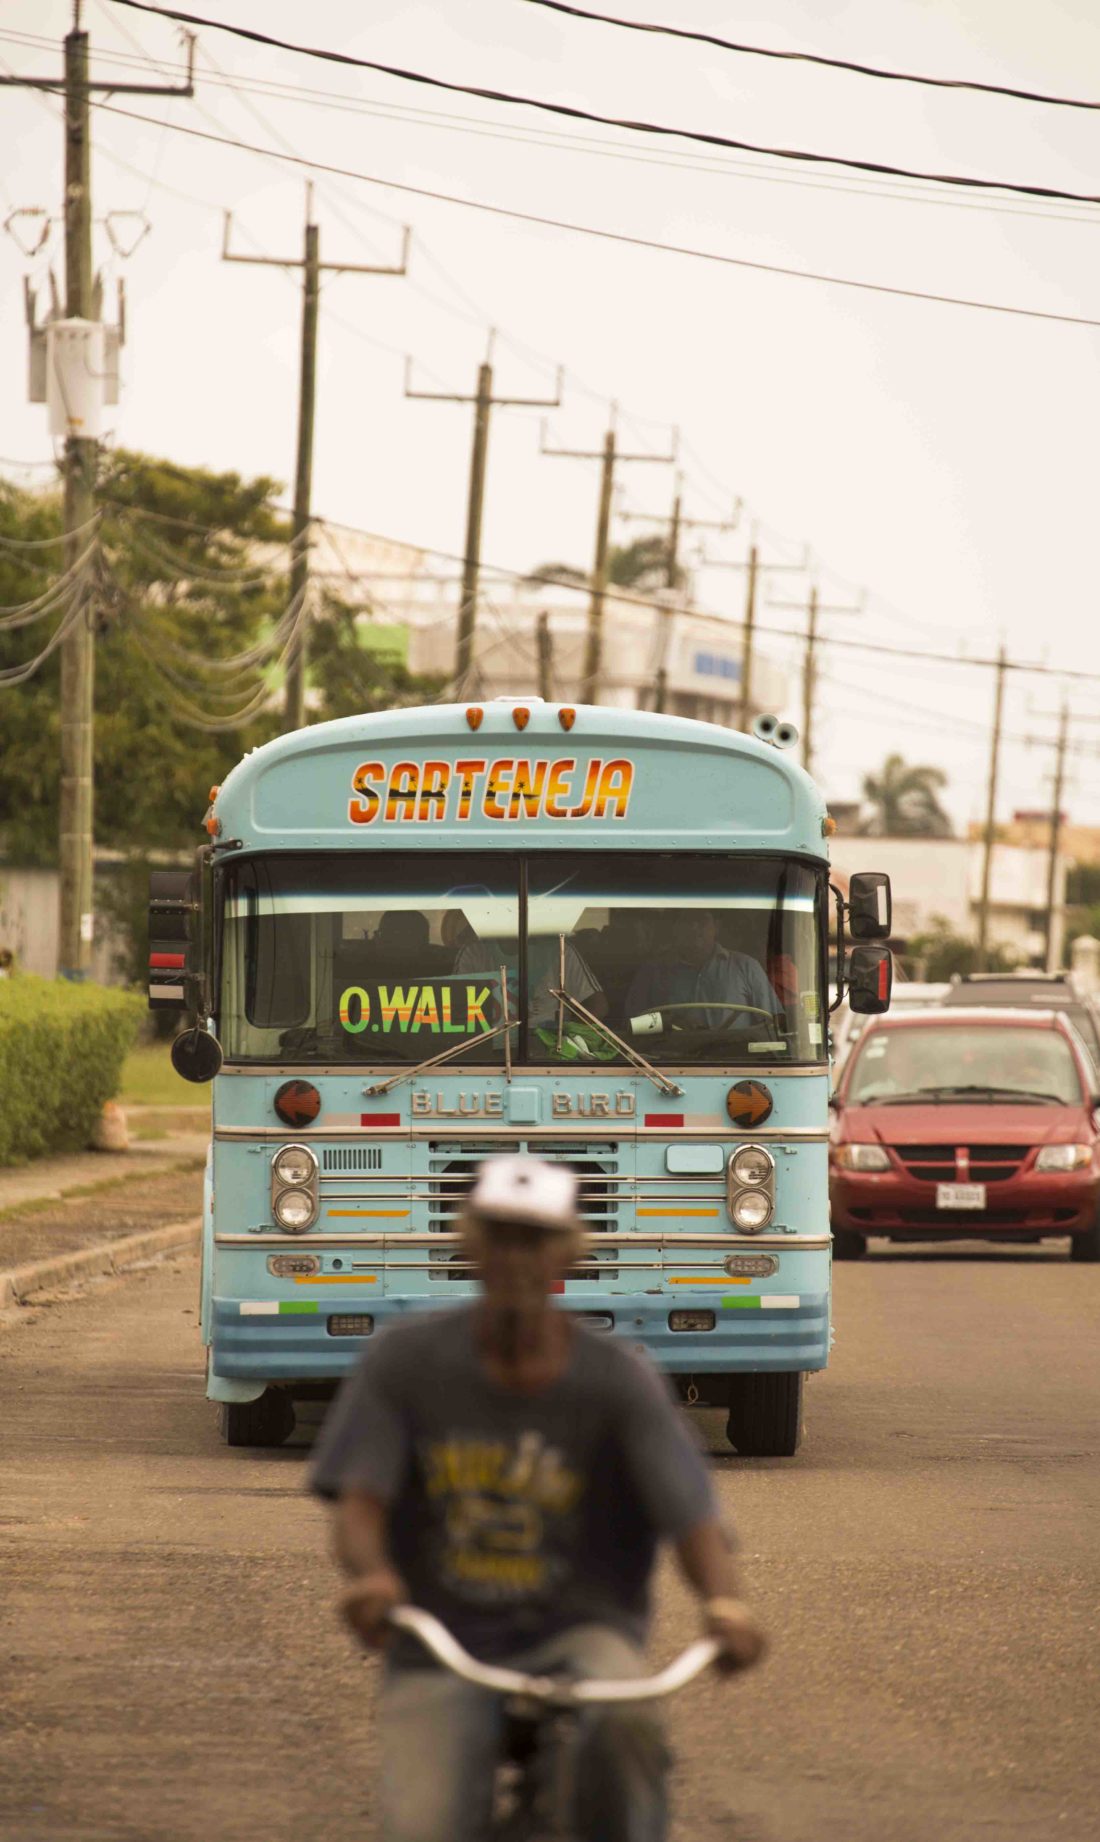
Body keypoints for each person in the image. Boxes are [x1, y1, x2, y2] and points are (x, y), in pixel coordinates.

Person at [311, 1156, 766, 1842]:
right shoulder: (404, 1364)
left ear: (567, 1253)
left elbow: (691, 1516)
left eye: (536, 1239)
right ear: (471, 1245)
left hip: (581, 1635)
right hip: (441, 1642)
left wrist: (725, 1603)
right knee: (423, 1825)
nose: (518, 1258)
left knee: (627, 1732)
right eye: (501, 1237)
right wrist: (372, 1577)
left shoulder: (618, 1380)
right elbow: (360, 1502)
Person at [625, 909, 781, 1032]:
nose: (693, 927)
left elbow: (772, 1023)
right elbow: (633, 1024)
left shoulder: (746, 967)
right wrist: (668, 1022)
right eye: (686, 920)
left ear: (716, 927)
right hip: (668, 1062)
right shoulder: (652, 970)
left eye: (701, 920)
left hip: (736, 1060)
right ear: (674, 928)